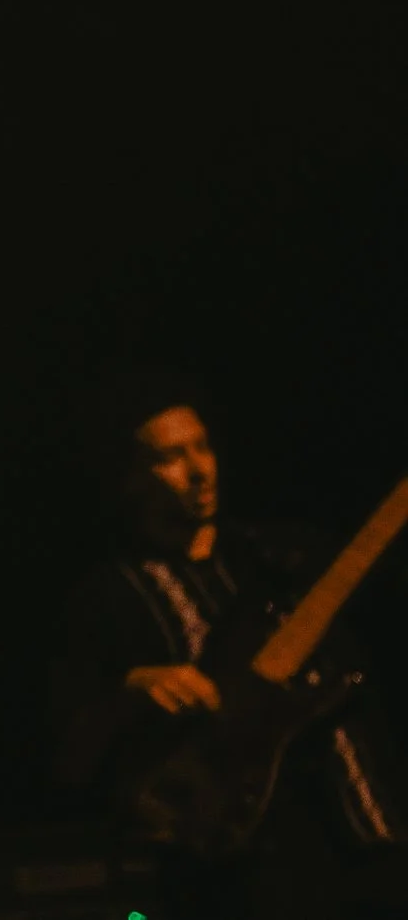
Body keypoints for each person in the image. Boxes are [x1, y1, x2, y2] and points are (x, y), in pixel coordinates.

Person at [52, 383, 405, 918]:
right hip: (244, 866)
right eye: (171, 457)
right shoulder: (109, 596)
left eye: (203, 447)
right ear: (127, 479)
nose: (199, 471)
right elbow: (69, 754)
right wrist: (131, 691)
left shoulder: (284, 555)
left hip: (365, 830)